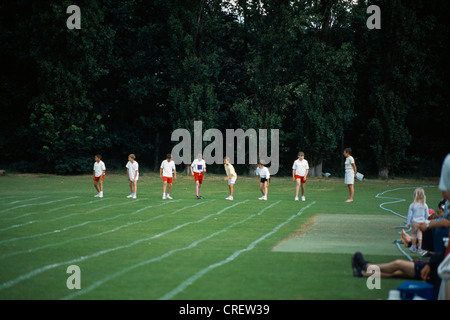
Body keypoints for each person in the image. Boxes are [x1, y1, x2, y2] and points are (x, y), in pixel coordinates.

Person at [406, 188, 429, 254]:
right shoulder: (424, 205)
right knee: (420, 235)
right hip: (421, 222)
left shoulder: (412, 205)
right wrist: (425, 221)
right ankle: (419, 248)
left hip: (414, 222)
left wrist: (408, 223)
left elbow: (409, 215)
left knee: (413, 234)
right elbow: (426, 215)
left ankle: (413, 247)